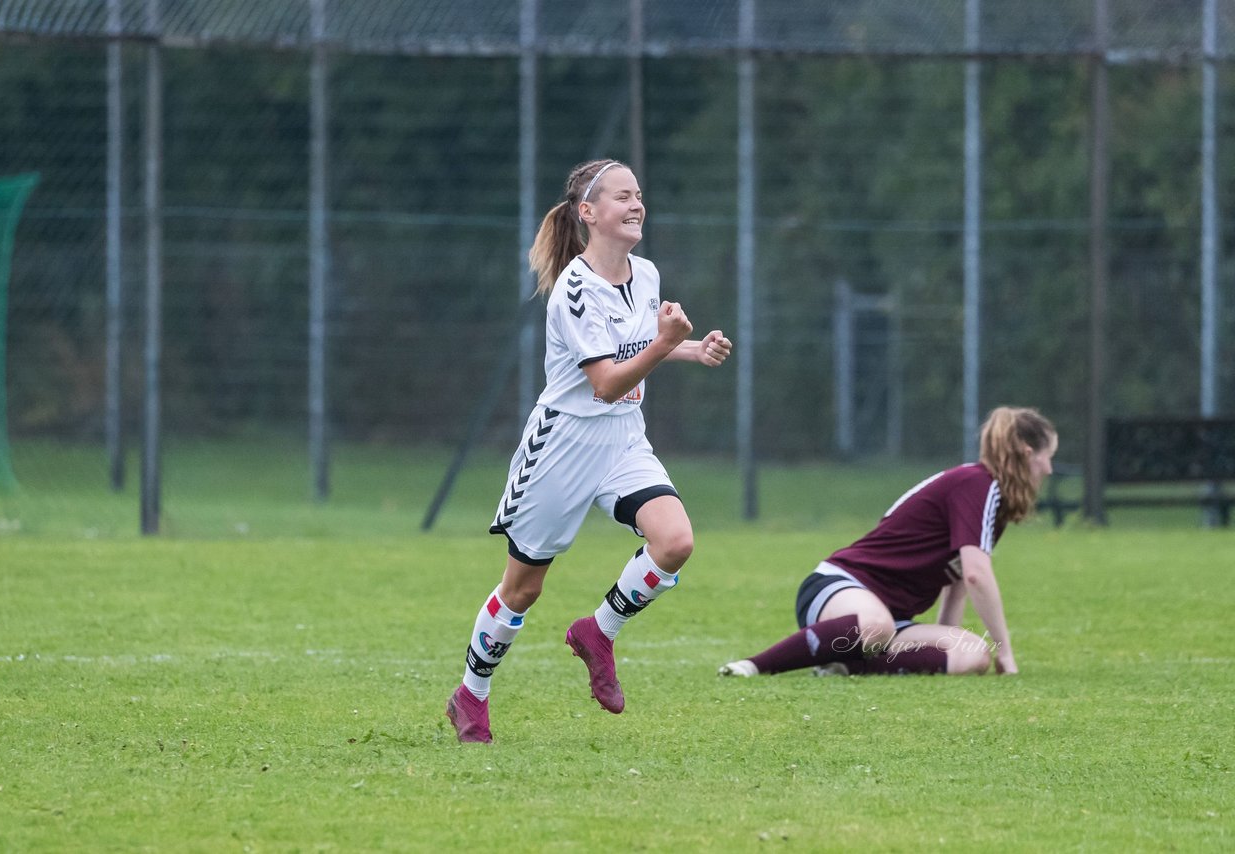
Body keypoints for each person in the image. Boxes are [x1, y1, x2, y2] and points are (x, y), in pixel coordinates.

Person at [446, 158, 733, 743]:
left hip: (623, 437)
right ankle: (470, 695)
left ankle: (597, 632)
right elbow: (604, 382)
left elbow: (634, 352)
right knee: (523, 588)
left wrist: (690, 349)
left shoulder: (645, 274)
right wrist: (666, 342)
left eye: (639, 195)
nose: (636, 205)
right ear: (588, 213)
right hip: (564, 445)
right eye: (622, 196)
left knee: (674, 541)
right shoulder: (574, 290)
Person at [719, 406, 1057, 680]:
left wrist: (946, 637)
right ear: (1028, 453)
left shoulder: (992, 502)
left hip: (890, 619)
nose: (1050, 469)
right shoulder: (979, 484)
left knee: (973, 655)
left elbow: (957, 581)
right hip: (837, 588)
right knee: (876, 625)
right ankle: (754, 666)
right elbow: (975, 575)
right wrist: (1008, 654)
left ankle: (844, 667)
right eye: (1047, 457)